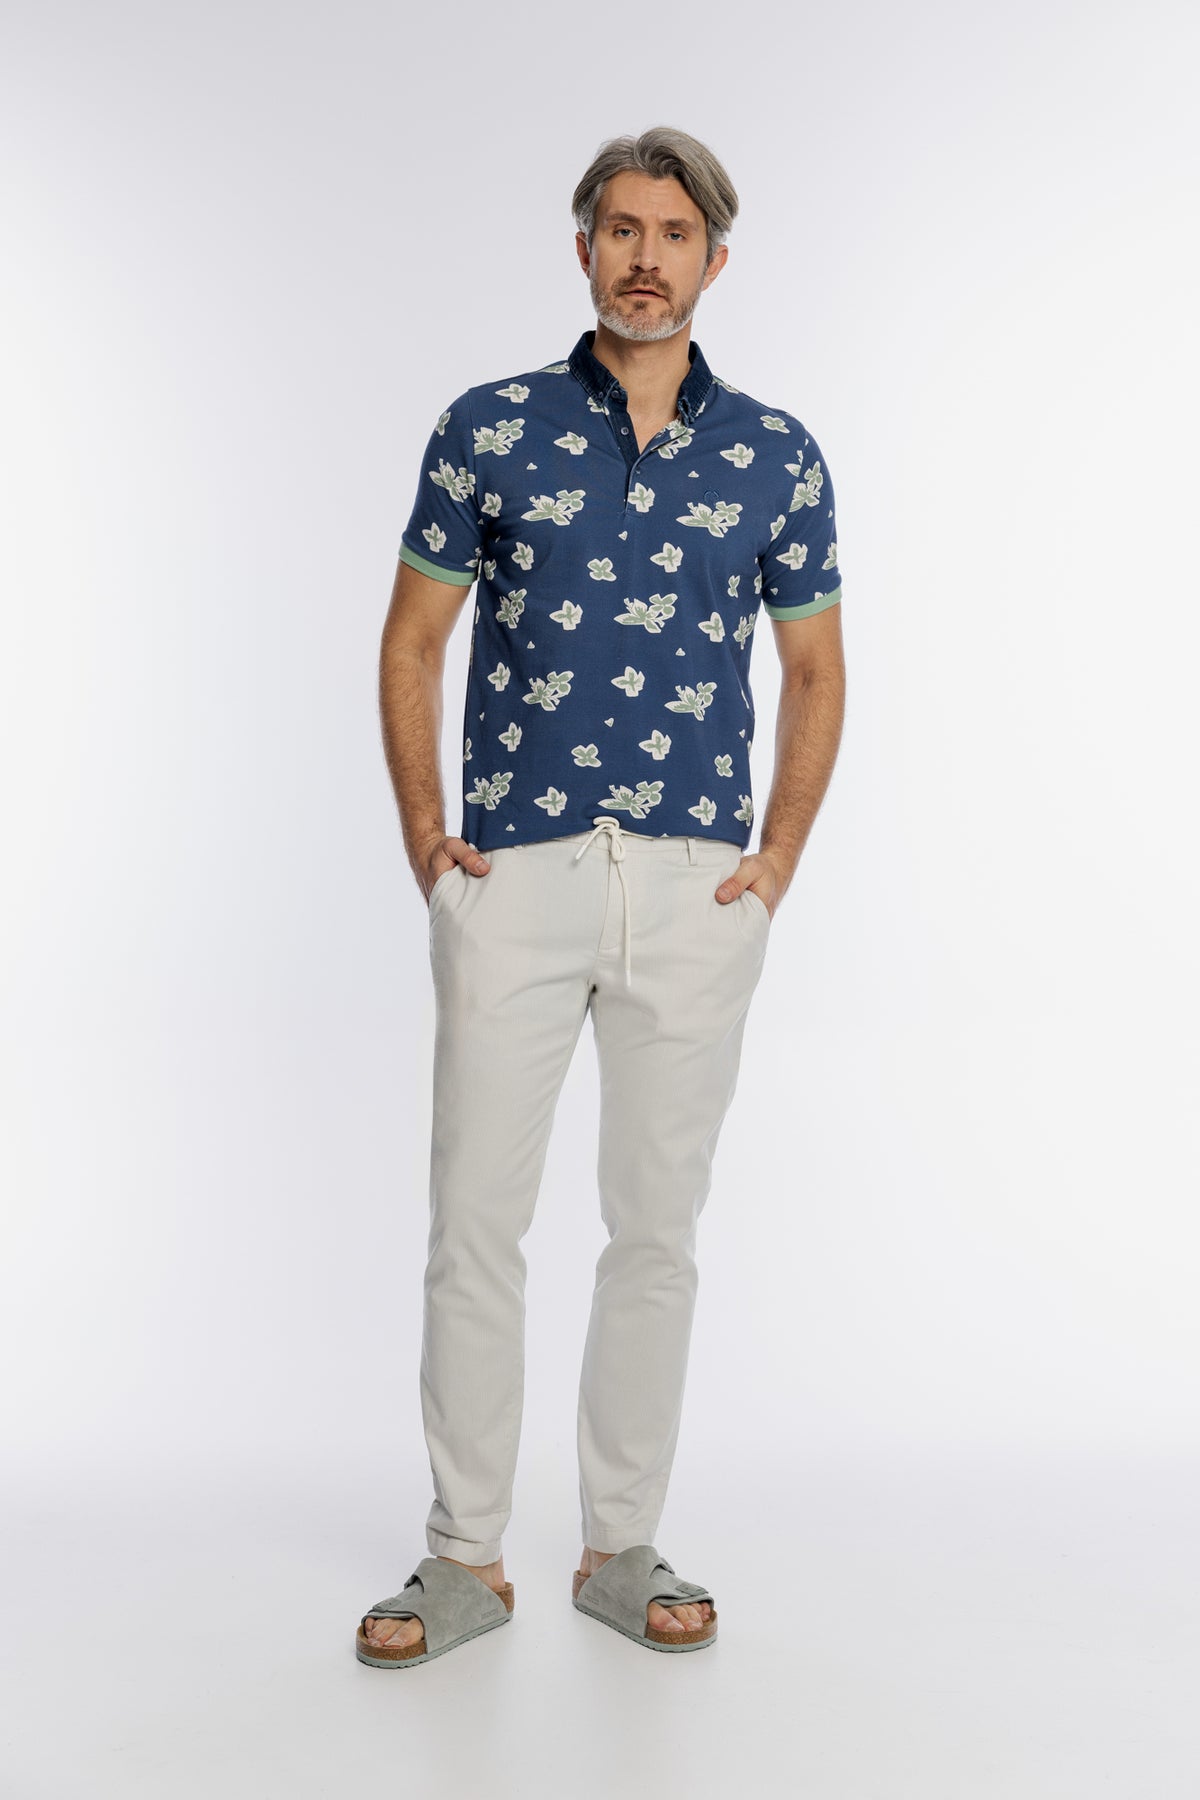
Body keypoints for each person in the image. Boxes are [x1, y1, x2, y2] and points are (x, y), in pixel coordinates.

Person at [358, 125, 846, 1668]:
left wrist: (774, 867)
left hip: (697, 886)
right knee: (474, 1224)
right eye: (622, 230)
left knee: (656, 1230)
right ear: (585, 250)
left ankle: (620, 1545)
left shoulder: (776, 455)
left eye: (674, 233)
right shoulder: (488, 429)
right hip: (517, 871)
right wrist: (430, 843)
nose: (646, 257)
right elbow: (414, 642)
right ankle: (463, 1560)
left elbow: (816, 670)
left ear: (715, 259)